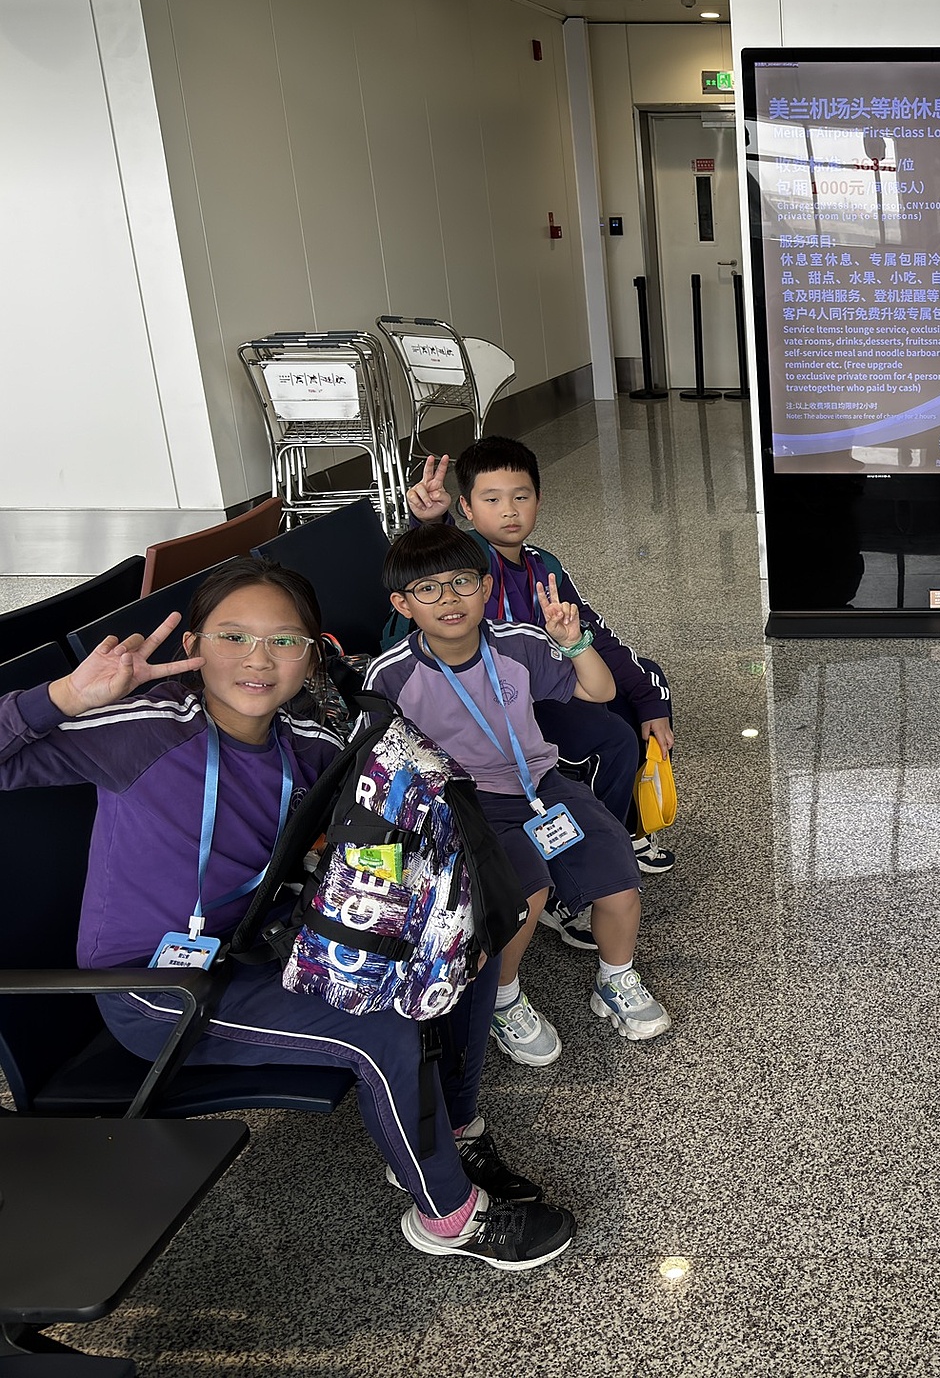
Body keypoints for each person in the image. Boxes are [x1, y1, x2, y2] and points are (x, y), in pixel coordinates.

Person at [0, 557, 574, 1269]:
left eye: (284, 641)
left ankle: (449, 1133)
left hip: (265, 941)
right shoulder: (142, 729)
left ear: (311, 655)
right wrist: (63, 696)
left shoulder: (307, 745)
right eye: (233, 637)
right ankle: (448, 1216)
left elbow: (366, 828)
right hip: (156, 986)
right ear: (193, 646)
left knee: (467, 940)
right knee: (383, 1025)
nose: (258, 660)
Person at [365, 525, 670, 1069]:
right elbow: (379, 762)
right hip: (465, 801)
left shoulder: (519, 642)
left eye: (462, 583)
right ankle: (503, 1000)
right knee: (522, 895)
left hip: (540, 785)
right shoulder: (392, 674)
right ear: (403, 605)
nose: (449, 599)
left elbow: (599, 690)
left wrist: (574, 643)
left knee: (620, 876)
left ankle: (616, 978)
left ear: (486, 588)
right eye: (428, 589)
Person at [406, 438, 677, 942]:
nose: (509, 510)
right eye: (491, 499)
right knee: (612, 739)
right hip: (494, 707)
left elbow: (592, 633)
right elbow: (438, 569)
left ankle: (621, 830)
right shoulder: (472, 562)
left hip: (540, 685)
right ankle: (570, 880)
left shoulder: (543, 564)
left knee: (642, 686)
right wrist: (432, 524)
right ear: (466, 507)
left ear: (538, 499)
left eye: (521, 496)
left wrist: (649, 698)